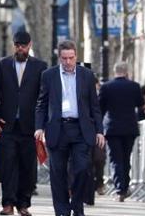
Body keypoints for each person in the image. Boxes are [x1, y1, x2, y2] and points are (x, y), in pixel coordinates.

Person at [34, 40, 104, 216]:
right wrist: (39, 127)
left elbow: (94, 106)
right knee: (58, 174)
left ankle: (77, 205)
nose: (68, 62)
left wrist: (99, 131)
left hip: (81, 129)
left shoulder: (87, 75)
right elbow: (41, 104)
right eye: (64, 58)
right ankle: (62, 211)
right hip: (57, 129)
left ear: (76, 56)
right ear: (59, 57)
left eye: (71, 58)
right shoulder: (48, 75)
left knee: (82, 168)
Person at [0, 30, 47, 216]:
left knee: (27, 167)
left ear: (30, 45)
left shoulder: (40, 66)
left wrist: (41, 125)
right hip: (8, 126)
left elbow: (43, 97)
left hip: (30, 127)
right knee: (8, 166)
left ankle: (23, 204)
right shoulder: (3, 64)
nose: (20, 49)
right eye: (17, 45)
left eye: (23, 45)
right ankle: (8, 204)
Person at [98, 61, 144, 201]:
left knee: (115, 159)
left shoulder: (106, 87)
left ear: (114, 71)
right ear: (127, 72)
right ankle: (125, 185)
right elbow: (141, 105)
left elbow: (100, 108)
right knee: (126, 158)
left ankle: (120, 189)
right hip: (129, 128)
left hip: (112, 128)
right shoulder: (134, 86)